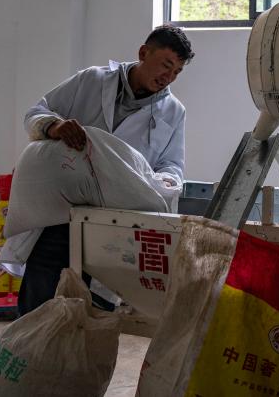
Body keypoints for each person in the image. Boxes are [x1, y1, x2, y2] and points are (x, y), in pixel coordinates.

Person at [15, 24, 194, 315]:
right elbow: (36, 112)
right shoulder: (92, 80)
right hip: (62, 212)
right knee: (41, 292)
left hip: (115, 222)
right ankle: (31, 342)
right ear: (143, 53)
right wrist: (55, 126)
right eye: (166, 65)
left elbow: (172, 165)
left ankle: (81, 346)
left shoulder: (174, 111)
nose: (169, 77)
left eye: (177, 72)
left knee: (94, 307)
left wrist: (164, 181)